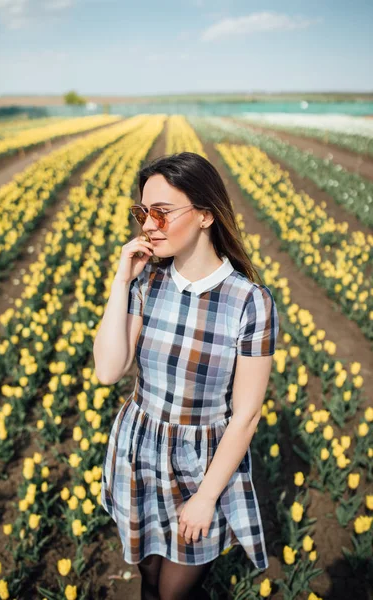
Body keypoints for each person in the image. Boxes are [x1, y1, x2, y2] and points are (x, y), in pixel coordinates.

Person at [93, 151, 280, 600]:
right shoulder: (148, 283)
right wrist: (121, 283)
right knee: (150, 579)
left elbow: (246, 416)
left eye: (162, 212)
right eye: (143, 212)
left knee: (174, 591)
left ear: (204, 216)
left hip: (202, 464)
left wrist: (204, 497)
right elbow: (108, 370)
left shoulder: (249, 302)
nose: (148, 224)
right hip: (140, 451)